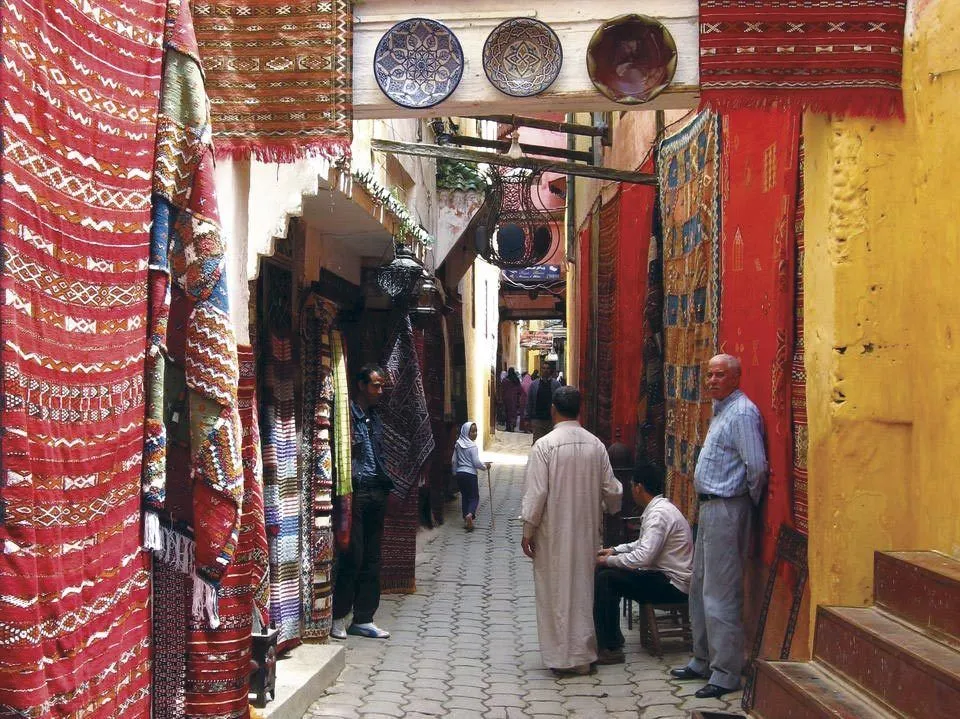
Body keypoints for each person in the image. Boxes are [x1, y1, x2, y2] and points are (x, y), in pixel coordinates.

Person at [671, 354, 767, 698]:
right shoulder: (722, 411)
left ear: (736, 378)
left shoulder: (742, 413)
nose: (711, 380)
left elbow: (756, 466)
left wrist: (745, 504)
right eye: (709, 374)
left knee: (721, 593)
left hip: (728, 508)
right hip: (710, 508)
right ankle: (703, 658)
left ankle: (726, 672)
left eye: (719, 375)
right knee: (699, 588)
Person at [520, 386, 623, 676]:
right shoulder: (596, 445)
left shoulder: (545, 446)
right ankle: (582, 656)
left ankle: (560, 657)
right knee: (581, 590)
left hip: (553, 533)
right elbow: (612, 490)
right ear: (580, 410)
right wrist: (610, 507)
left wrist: (528, 529)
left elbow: (536, 493)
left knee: (554, 590)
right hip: (587, 531)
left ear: (553, 409)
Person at [593, 461, 693, 664]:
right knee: (605, 575)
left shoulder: (658, 514)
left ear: (638, 487)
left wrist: (610, 561)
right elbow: (642, 544)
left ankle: (610, 646)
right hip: (664, 577)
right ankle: (611, 638)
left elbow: (643, 556)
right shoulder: (660, 509)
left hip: (672, 585)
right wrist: (615, 550)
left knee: (607, 579)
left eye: (632, 486)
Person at [331, 365, 395, 640]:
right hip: (355, 491)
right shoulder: (347, 417)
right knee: (352, 555)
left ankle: (364, 617)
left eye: (381, 386)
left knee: (372, 557)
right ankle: (338, 616)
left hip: (376, 490)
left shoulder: (375, 417)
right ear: (360, 385)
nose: (379, 391)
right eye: (375, 386)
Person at [452, 421, 490, 531]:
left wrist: (455, 472)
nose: (475, 433)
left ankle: (465, 519)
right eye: (472, 431)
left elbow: (454, 460)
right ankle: (470, 514)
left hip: (460, 474)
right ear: (465, 432)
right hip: (471, 475)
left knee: (464, 496)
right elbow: (476, 462)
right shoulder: (473, 446)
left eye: (476, 431)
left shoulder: (458, 444)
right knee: (474, 497)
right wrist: (485, 467)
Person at [525, 363, 561, 442]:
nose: (546, 370)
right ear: (541, 370)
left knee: (551, 443)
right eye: (544, 368)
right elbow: (529, 401)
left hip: (551, 420)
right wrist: (527, 418)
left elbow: (559, 401)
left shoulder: (556, 385)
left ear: (550, 370)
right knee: (537, 443)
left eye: (547, 368)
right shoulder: (534, 385)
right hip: (537, 419)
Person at [500, 368, 522, 432]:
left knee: (507, 413)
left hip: (506, 399)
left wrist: (501, 398)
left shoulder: (505, 380)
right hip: (514, 399)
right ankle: (512, 426)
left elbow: (502, 390)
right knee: (513, 413)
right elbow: (520, 390)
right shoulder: (516, 380)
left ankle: (508, 427)